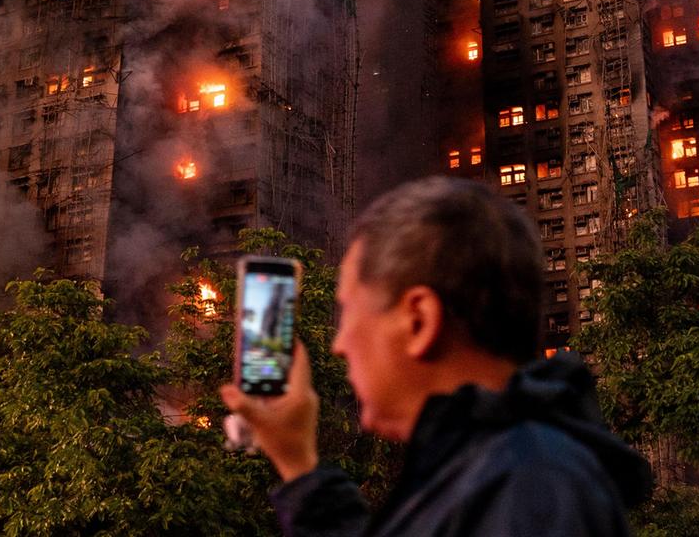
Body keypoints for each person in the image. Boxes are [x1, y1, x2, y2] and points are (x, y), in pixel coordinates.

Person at [222, 178, 651, 536]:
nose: (339, 344)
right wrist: (296, 461)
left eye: (349, 309)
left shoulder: (530, 488)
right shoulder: (494, 473)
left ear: (419, 320)